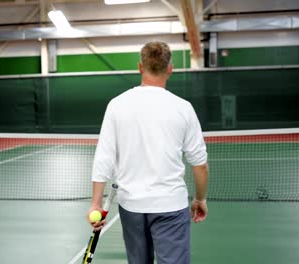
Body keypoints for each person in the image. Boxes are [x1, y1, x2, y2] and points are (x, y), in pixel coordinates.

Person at [88, 41, 209, 264]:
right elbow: (199, 164)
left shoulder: (117, 105)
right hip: (171, 205)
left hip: (131, 207)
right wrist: (200, 199)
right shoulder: (183, 108)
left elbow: (104, 156)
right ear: (170, 69)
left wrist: (96, 204)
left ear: (140, 67)